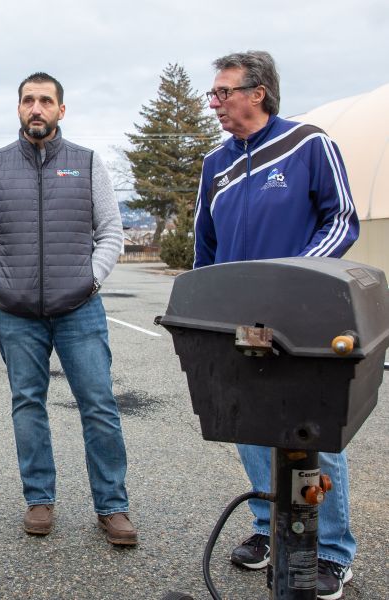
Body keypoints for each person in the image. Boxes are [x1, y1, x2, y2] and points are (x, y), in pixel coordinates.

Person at [194, 51, 359, 600]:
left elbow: (342, 219)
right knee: (247, 424)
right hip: (240, 321)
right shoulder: (214, 165)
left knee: (311, 433)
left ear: (257, 93)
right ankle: (272, 528)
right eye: (213, 94)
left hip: (304, 319)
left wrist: (301, 279)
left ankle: (328, 550)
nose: (213, 103)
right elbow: (205, 247)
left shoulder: (309, 144)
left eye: (222, 92)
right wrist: (205, 306)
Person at [0, 72, 136, 545]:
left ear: (61, 109)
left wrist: (90, 279)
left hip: (79, 310)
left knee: (99, 405)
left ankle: (112, 506)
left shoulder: (88, 163)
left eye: (45, 101)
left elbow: (112, 233)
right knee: (27, 404)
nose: (36, 108)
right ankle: (39, 499)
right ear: (19, 108)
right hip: (16, 312)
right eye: (28, 101)